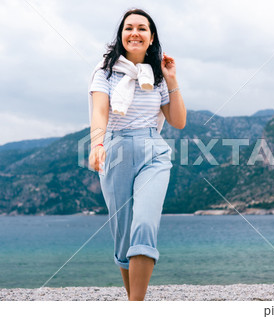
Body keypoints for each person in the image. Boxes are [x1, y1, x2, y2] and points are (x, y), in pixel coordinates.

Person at [88, 8, 186, 301]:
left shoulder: (157, 76)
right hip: (115, 150)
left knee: (144, 223)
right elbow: (100, 111)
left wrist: (171, 79)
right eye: (129, 27)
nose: (135, 32)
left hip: (153, 151)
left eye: (142, 28)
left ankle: (136, 306)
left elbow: (178, 121)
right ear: (121, 35)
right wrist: (97, 144)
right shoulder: (104, 72)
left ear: (151, 36)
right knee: (123, 236)